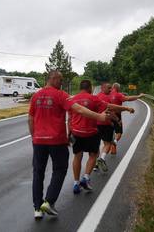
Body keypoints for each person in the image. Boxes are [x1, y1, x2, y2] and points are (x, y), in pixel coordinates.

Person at [28, 71, 110, 220]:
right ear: (53, 79)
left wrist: (34, 137)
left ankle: (37, 208)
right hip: (56, 141)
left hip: (38, 141)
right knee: (59, 170)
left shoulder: (35, 96)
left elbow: (31, 118)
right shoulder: (60, 95)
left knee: (38, 173)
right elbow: (78, 109)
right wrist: (99, 116)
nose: (62, 83)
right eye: (60, 80)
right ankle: (49, 201)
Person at [69, 80, 134, 194]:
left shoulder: (72, 99)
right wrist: (126, 109)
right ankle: (86, 178)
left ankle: (76, 183)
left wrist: (68, 134)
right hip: (91, 132)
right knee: (94, 155)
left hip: (76, 132)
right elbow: (110, 107)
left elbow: (69, 119)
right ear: (89, 87)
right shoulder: (94, 99)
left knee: (77, 156)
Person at [109, 83, 144, 154]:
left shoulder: (108, 94)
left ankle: (110, 150)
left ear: (112, 87)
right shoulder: (118, 95)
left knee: (109, 133)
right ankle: (114, 142)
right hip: (116, 115)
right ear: (117, 88)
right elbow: (128, 98)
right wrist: (139, 96)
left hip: (107, 115)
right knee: (119, 133)